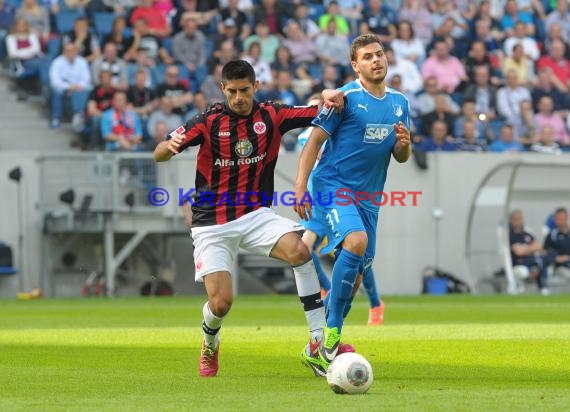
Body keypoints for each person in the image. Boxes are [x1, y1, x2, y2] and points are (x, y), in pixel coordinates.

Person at [152, 60, 345, 378]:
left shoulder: (272, 114)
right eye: (232, 91)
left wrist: (327, 92)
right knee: (221, 303)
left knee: (300, 251)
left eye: (245, 90)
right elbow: (157, 153)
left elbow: (317, 110)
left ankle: (317, 341)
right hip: (211, 223)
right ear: (222, 89)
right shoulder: (208, 121)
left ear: (255, 86)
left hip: (256, 215)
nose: (239, 97)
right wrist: (167, 147)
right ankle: (210, 342)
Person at [293, 34, 411, 365]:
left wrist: (404, 144)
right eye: (368, 57)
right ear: (356, 65)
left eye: (380, 54)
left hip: (369, 198)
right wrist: (301, 186)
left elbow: (400, 156)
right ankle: (330, 338)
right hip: (333, 185)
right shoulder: (344, 98)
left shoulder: (400, 102)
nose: (377, 60)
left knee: (357, 275)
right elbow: (313, 142)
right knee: (355, 242)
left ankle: (317, 348)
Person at [297, 94, 385, 326]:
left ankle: (375, 302)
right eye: (311, 109)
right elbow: (313, 152)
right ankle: (328, 289)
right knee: (305, 248)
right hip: (322, 195)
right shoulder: (305, 136)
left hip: (343, 192)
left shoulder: (339, 123)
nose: (315, 112)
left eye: (318, 108)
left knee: (357, 250)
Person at [509, 210, 549, 295]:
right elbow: (518, 251)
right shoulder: (509, 235)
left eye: (520, 219)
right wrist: (531, 248)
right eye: (515, 219)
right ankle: (519, 288)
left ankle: (542, 288)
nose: (518, 221)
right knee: (524, 270)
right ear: (511, 220)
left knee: (542, 261)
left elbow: (539, 247)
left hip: (531, 261)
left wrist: (526, 248)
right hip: (517, 263)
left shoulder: (527, 232)